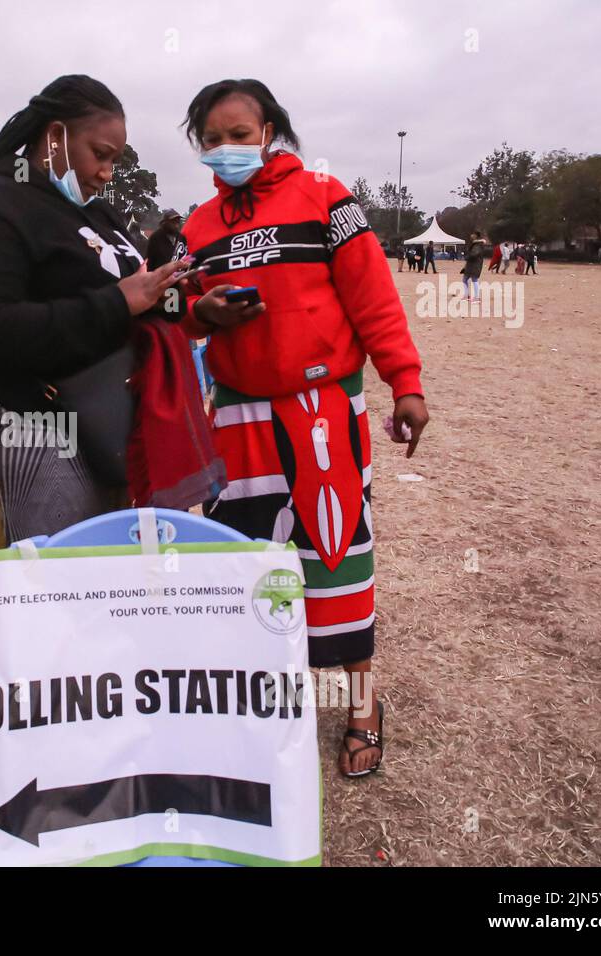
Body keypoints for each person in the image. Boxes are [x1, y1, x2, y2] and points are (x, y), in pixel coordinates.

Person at [176, 77, 430, 777]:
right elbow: (186, 313)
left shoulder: (324, 196)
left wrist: (403, 381)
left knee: (337, 559)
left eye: (240, 134)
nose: (227, 148)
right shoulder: (198, 226)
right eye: (213, 139)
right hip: (236, 417)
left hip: (323, 413)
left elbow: (372, 295)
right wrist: (206, 315)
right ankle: (266, 704)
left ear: (270, 132)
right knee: (248, 568)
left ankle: (363, 707)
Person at [0, 74, 183, 551]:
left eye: (115, 159)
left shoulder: (101, 214)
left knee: (102, 588)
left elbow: (139, 293)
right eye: (101, 154)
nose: (107, 172)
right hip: (25, 424)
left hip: (108, 424)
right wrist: (117, 302)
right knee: (42, 593)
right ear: (54, 137)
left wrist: (183, 302)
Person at [461, 230, 485, 300]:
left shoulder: (478, 245)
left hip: (475, 265)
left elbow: (474, 254)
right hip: (470, 265)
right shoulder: (474, 244)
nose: (471, 235)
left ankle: (477, 297)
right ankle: (467, 295)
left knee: (474, 280)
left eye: (473, 234)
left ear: (476, 236)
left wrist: (467, 256)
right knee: (464, 279)